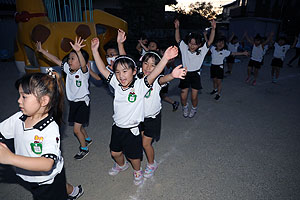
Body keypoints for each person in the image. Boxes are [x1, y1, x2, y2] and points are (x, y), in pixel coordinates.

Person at [91, 35, 180, 185]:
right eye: (117, 73)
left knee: (143, 146)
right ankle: (121, 165)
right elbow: (111, 67)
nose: (121, 76)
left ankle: (150, 164)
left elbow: (157, 76)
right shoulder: (118, 82)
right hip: (126, 123)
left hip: (146, 120)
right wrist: (95, 50)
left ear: (133, 71)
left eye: (125, 72)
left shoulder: (142, 84)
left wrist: (167, 62)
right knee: (115, 151)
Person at [0, 72, 83, 200]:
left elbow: (46, 164)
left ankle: (69, 191)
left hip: (46, 180)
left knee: (54, 189)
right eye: (19, 95)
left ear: (44, 100)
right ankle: (72, 191)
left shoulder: (50, 129)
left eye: (24, 96)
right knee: (60, 186)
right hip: (30, 175)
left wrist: (10, 158)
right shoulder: (18, 118)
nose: (18, 100)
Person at [36, 37, 92, 160]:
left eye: (73, 59)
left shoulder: (84, 72)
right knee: (80, 124)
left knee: (76, 130)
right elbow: (56, 59)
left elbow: (83, 64)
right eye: (69, 58)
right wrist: (42, 51)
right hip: (73, 102)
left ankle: (84, 149)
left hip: (83, 103)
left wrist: (78, 51)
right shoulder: (67, 68)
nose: (69, 61)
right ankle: (87, 139)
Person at [136, 51, 186, 178]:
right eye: (145, 63)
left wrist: (172, 75)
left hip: (152, 118)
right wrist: (120, 44)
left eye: (153, 65)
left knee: (145, 143)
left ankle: (152, 164)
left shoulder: (157, 80)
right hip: (139, 117)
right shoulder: (136, 77)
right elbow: (126, 63)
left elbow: (164, 79)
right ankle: (148, 157)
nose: (148, 67)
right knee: (142, 140)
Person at [174, 18, 216, 118]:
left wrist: (213, 29)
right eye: (190, 43)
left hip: (195, 75)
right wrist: (177, 28)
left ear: (199, 44)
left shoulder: (202, 50)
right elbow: (178, 40)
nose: (192, 46)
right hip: (185, 73)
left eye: (195, 44)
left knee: (194, 96)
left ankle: (194, 108)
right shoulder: (184, 48)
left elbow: (210, 41)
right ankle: (185, 107)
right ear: (188, 42)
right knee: (183, 96)